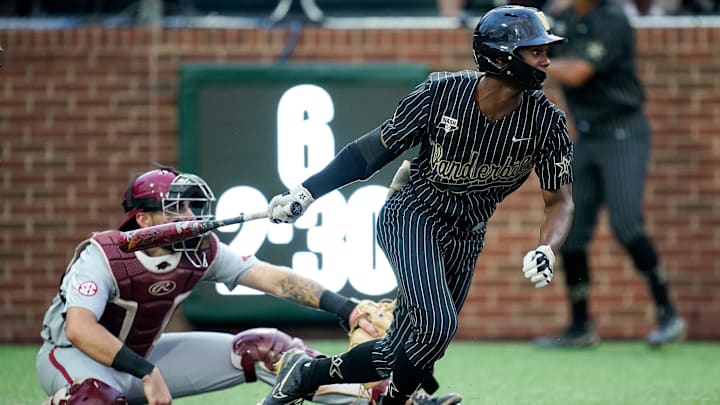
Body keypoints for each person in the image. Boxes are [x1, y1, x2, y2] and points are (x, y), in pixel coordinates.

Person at [261, 5, 575, 404]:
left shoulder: (547, 123)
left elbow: (559, 200)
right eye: (535, 51)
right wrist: (306, 193)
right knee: (438, 324)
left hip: (467, 232)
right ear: (500, 56)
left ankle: (305, 374)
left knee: (410, 350)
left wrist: (548, 246)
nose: (546, 60)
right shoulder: (440, 93)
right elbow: (369, 154)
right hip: (414, 214)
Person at [35, 166, 457, 405]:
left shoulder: (203, 250)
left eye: (191, 206)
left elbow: (273, 278)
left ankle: (384, 400)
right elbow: (79, 328)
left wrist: (347, 309)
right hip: (76, 358)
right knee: (96, 400)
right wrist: (146, 374)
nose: (189, 215)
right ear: (143, 220)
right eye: (175, 207)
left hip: (147, 356)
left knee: (273, 349)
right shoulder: (104, 253)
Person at [533, 0, 686, 348]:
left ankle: (667, 313)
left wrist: (532, 62)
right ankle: (580, 325)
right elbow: (542, 36)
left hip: (623, 130)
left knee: (626, 223)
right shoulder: (566, 17)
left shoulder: (613, 18)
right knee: (570, 230)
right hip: (587, 135)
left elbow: (577, 72)